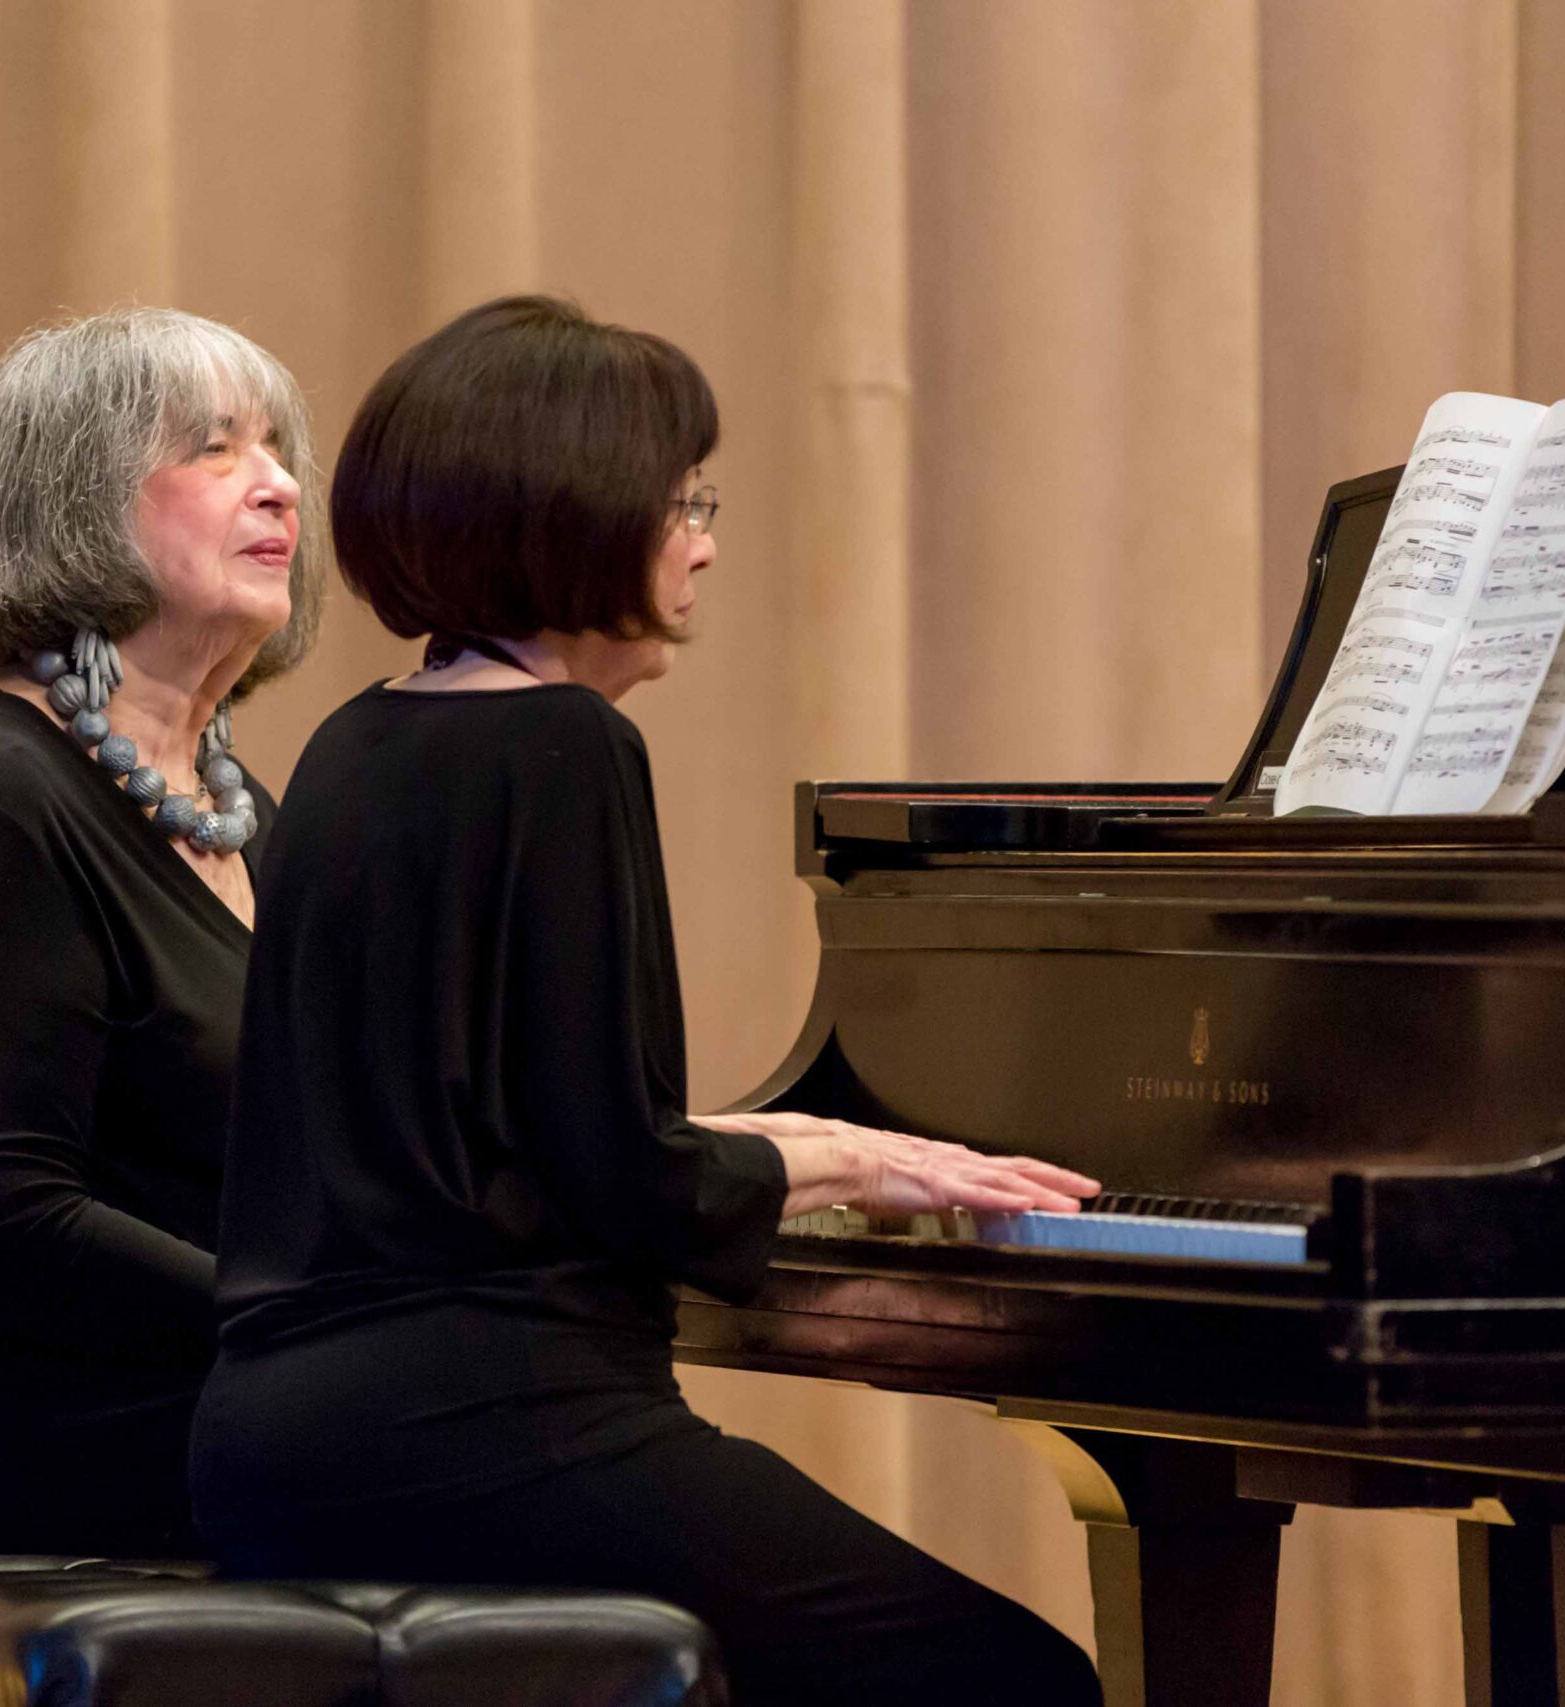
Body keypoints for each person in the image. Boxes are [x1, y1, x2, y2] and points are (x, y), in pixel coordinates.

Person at [192, 295, 1104, 1707]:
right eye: (683, 500)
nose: (707, 539)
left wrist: (794, 1147)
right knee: (1010, 1676)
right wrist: (857, 1157)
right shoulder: (563, 742)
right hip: (483, 1419)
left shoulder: (353, 745)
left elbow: (506, 1139)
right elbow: (623, 1176)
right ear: (573, 502)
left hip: (281, 1429)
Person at [0, 308, 321, 1563]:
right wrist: (311, 1323)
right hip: (14, 1447)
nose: (282, 483)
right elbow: (6, 1222)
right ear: (73, 503)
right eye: (215, 449)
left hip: (197, 1407)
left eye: (278, 447)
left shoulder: (247, 814)